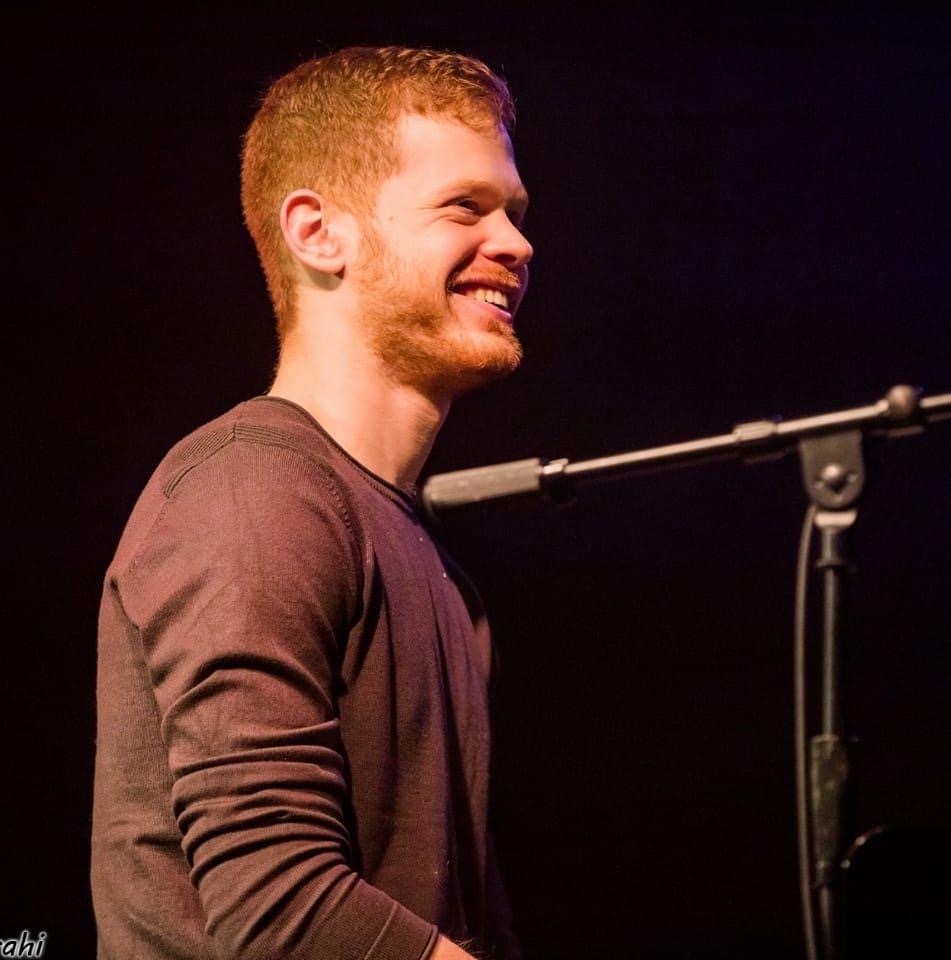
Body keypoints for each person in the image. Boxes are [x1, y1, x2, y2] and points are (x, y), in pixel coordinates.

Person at [90, 46, 533, 960]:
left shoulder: (421, 552)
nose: (517, 245)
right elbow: (278, 909)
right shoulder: (254, 491)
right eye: (465, 206)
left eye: (514, 213)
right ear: (318, 233)